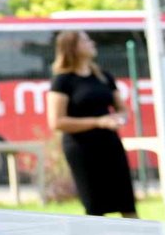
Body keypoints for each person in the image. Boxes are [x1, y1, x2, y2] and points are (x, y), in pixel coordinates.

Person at [46, 31, 137, 217]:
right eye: (85, 40)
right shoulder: (62, 81)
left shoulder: (103, 76)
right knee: (95, 206)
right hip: (82, 148)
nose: (92, 43)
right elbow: (56, 121)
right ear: (72, 47)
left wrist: (120, 118)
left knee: (127, 203)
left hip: (110, 144)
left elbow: (122, 109)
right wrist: (98, 121)